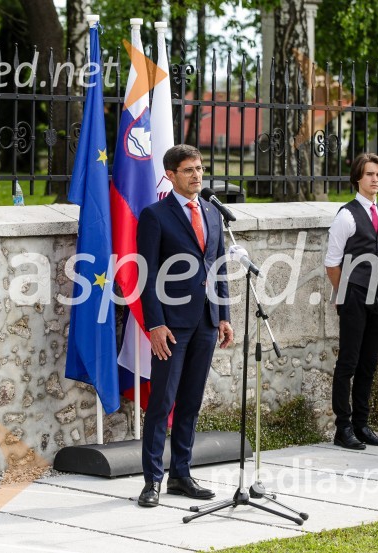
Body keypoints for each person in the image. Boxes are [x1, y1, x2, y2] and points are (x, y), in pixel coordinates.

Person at [136, 144, 234, 507]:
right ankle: (152, 481)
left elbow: (219, 267)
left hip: (206, 321)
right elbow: (144, 276)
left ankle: (181, 474)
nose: (197, 175)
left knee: (191, 402)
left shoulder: (212, 213)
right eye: (189, 170)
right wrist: (155, 325)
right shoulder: (155, 216)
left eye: (200, 169)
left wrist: (223, 315)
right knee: (162, 403)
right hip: (171, 326)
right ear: (171, 175)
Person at [325, 153, 378, 450]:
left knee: (369, 362)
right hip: (353, 295)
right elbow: (332, 262)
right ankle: (343, 427)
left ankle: (362, 425)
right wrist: (344, 295)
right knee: (348, 363)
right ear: (357, 178)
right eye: (368, 174)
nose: (374, 179)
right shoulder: (347, 215)